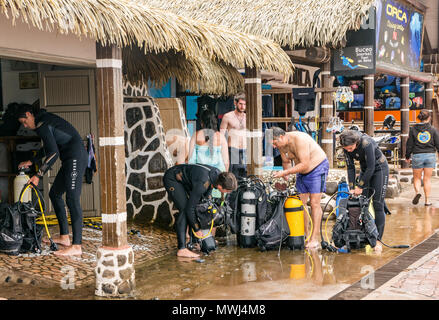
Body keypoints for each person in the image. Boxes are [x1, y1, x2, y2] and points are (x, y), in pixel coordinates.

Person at [16, 103, 88, 256]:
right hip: (69, 159)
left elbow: (53, 153)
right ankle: (64, 237)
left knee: (72, 199)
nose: (25, 126)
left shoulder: (43, 124)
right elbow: (50, 147)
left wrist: (38, 175)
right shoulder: (43, 122)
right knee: (54, 194)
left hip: (75, 158)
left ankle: (77, 246)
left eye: (24, 121)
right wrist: (32, 161)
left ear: (29, 114)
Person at [271, 127, 329, 250]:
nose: (275, 146)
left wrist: (285, 172)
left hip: (317, 168)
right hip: (301, 172)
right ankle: (304, 234)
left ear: (281, 137)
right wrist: (285, 174)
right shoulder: (281, 145)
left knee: (314, 203)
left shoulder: (299, 139)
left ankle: (314, 238)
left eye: (275, 143)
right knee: (300, 204)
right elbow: (286, 162)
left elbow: (305, 164)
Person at [163, 164, 237, 258]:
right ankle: (181, 249)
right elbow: (190, 209)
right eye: (227, 191)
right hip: (173, 178)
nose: (228, 193)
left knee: (200, 206)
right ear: (220, 186)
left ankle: (195, 243)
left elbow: (205, 200)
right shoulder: (203, 182)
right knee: (185, 209)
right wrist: (197, 229)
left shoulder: (217, 176)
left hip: (187, 181)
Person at [339, 130, 389, 254]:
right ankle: (362, 237)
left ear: (356, 142)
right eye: (346, 149)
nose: (349, 151)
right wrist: (351, 186)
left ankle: (377, 240)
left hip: (379, 169)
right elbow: (350, 167)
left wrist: (360, 186)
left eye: (351, 148)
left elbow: (372, 167)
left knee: (378, 204)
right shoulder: (346, 148)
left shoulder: (367, 143)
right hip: (365, 170)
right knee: (362, 204)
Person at [405, 109, 439, 206]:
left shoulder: (413, 129)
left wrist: (407, 155)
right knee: (427, 179)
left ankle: (417, 192)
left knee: (417, 178)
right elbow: (438, 143)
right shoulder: (433, 129)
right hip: (430, 155)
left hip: (417, 155)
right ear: (429, 118)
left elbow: (409, 144)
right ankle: (427, 201)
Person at [188, 108, 229, 173]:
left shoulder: (195, 136)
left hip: (199, 173)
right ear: (215, 122)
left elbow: (190, 159)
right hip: (217, 174)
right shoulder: (221, 137)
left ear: (202, 123)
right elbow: (225, 162)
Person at [220, 93, 247, 179]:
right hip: (233, 149)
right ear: (235, 103)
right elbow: (221, 135)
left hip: (245, 149)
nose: (243, 106)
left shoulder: (248, 117)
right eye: (240, 104)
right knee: (233, 175)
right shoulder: (228, 116)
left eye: (244, 104)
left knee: (245, 175)